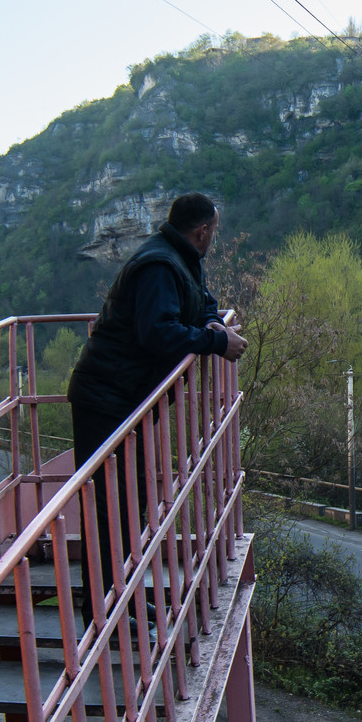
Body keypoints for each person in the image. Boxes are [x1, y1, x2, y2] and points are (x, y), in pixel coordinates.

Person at [65, 193, 247, 599]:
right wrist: (216, 344)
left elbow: (202, 303)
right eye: (214, 231)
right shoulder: (158, 265)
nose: (213, 238)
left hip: (125, 398)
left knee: (132, 500)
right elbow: (157, 333)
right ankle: (104, 610)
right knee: (110, 507)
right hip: (105, 398)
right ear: (203, 231)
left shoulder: (180, 258)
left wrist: (214, 324)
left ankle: (121, 601)